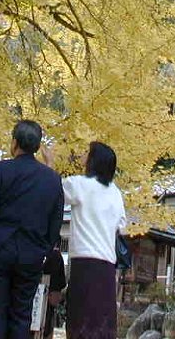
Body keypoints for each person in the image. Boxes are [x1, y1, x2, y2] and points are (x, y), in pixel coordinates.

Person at [0, 120, 64, 339]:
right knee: (21, 314)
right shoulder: (52, 179)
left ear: (14, 142)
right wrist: (43, 250)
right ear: (37, 146)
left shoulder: (1, 170)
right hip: (31, 254)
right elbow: (55, 222)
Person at [63, 141, 127, 339]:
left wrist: (49, 165)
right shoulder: (116, 193)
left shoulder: (79, 184)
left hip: (84, 263)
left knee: (80, 321)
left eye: (87, 154)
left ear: (93, 161)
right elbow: (121, 225)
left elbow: (53, 190)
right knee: (101, 324)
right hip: (107, 265)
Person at [42, 244, 67, 339]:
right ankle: (47, 334)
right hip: (54, 293)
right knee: (50, 316)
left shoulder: (48, 255)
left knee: (45, 315)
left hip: (44, 292)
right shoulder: (58, 256)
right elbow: (62, 281)